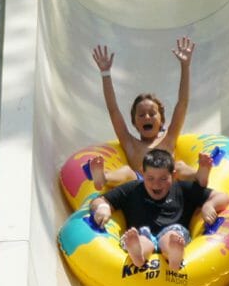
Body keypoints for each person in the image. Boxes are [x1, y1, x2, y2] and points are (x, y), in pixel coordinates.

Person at [89, 38, 211, 190]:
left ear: (161, 121)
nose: (146, 117)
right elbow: (113, 110)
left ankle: (198, 175)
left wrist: (185, 66)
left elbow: (182, 104)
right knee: (127, 172)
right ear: (134, 123)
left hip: (168, 183)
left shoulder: (169, 138)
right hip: (140, 188)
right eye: (141, 115)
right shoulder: (130, 143)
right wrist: (105, 74)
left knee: (178, 166)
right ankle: (103, 178)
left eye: (152, 114)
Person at [89, 148, 229, 271]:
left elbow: (222, 197)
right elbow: (99, 200)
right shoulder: (132, 189)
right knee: (141, 239)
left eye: (163, 179)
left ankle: (174, 255)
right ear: (142, 173)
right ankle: (138, 255)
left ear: (173, 175)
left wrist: (209, 205)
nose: (156, 184)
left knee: (170, 237)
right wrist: (103, 207)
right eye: (150, 178)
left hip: (173, 233)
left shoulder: (182, 189)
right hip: (142, 234)